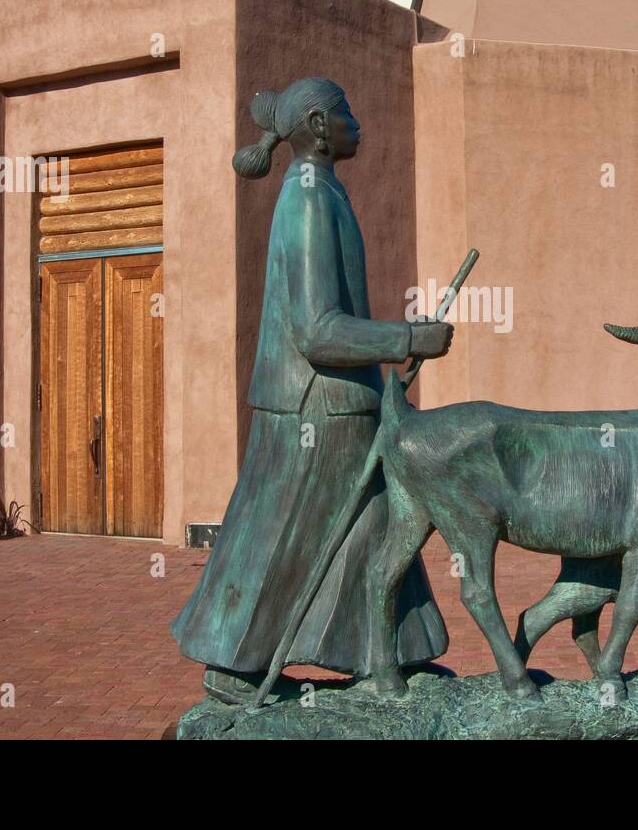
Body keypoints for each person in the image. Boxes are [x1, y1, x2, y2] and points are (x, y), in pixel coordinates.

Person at [171, 77, 452, 703]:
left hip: (342, 401)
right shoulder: (306, 198)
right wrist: (408, 337)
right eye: (348, 111)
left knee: (374, 522)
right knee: (284, 534)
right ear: (320, 124)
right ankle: (234, 662)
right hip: (314, 404)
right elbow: (318, 329)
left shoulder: (324, 190)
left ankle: (385, 654)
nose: (360, 122)